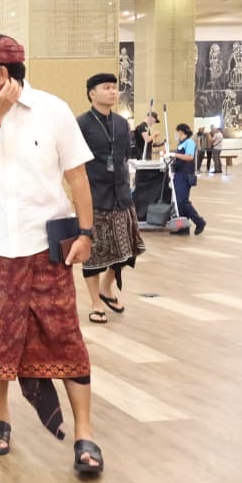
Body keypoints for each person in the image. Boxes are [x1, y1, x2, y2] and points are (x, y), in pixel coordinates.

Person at [0, 31, 103, 475]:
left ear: (1, 74)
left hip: (46, 250)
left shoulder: (53, 111)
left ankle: (85, 433)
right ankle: (0, 417)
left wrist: (87, 233)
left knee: (65, 337)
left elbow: (77, 178)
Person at [76, 74, 145, 324]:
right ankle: (96, 303)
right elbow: (75, 164)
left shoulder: (121, 123)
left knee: (129, 250)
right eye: (106, 88)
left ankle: (107, 287)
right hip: (95, 197)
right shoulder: (81, 124)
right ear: (92, 93)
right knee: (94, 254)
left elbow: (126, 156)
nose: (113, 92)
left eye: (115, 88)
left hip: (122, 196)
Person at [168, 124, 206, 236]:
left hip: (185, 175)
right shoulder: (181, 143)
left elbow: (190, 157)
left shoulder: (189, 142)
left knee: (182, 201)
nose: (176, 134)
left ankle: (199, 221)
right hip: (179, 174)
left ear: (181, 132)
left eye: (176, 132)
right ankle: (183, 227)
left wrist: (175, 154)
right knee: (178, 202)